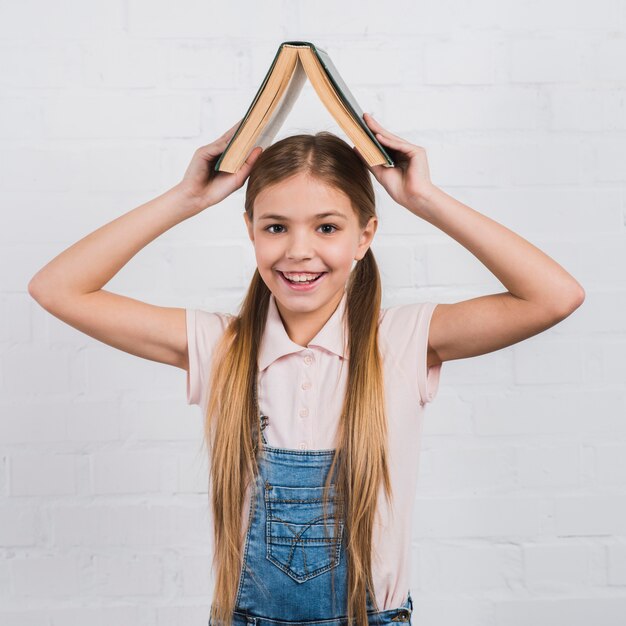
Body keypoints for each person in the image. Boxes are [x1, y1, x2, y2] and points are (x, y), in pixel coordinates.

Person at [28, 113, 585, 626]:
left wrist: (425, 198)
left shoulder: (402, 341)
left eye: (326, 227)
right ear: (250, 231)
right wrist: (184, 199)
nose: (298, 250)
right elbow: (57, 288)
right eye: (275, 227)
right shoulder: (221, 347)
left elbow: (554, 297)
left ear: (365, 236)